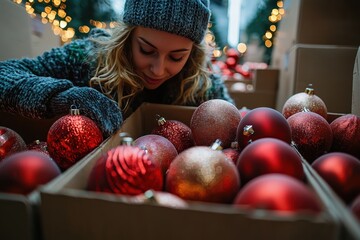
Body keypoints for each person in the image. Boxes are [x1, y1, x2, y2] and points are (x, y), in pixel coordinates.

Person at [0, 0, 234, 138]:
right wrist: (58, 97)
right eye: (146, 50)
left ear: (192, 54)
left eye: (176, 57)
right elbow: (4, 75)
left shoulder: (203, 85)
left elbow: (235, 124)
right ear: (128, 37)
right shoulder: (86, 58)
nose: (158, 69)